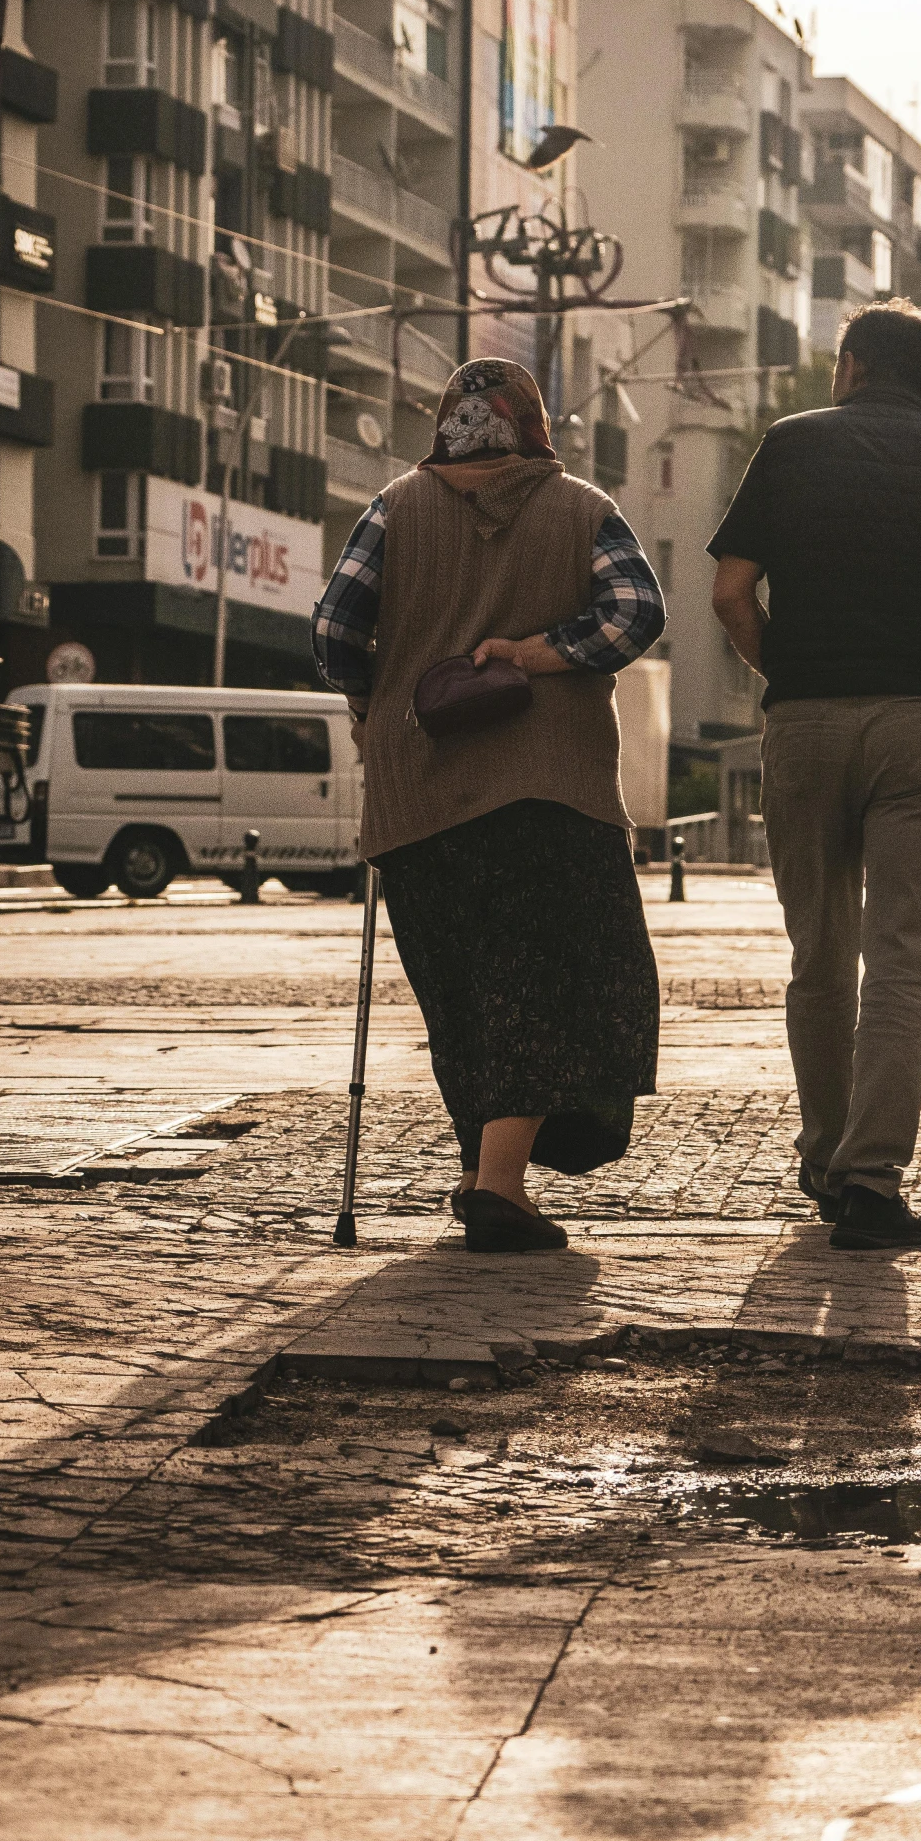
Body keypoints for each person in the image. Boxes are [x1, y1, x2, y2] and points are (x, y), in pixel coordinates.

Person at [312, 356, 666, 1254]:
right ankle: (499, 1187)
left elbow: (333, 631)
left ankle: (481, 1174)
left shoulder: (395, 504)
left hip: (417, 789)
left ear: (446, 422)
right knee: (547, 980)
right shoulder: (584, 507)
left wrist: (372, 707)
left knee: (460, 985)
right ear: (535, 423)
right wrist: (537, 653)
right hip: (550, 787)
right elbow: (633, 613)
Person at [708, 300, 921, 1253]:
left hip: (805, 722)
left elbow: (730, 590)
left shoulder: (789, 442)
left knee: (817, 955)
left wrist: (788, 675)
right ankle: (870, 1181)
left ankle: (820, 1157)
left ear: (847, 366)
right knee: (899, 964)